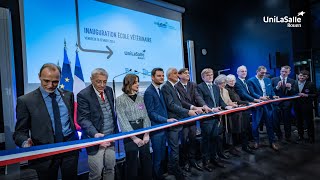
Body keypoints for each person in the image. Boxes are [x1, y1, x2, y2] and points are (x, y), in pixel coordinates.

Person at [13, 63, 79, 180]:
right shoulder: (26, 101)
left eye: (55, 82)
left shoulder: (68, 95)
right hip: (44, 152)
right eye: (46, 81)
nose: (50, 85)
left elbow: (71, 121)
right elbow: (19, 133)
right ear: (39, 76)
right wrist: (25, 143)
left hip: (69, 148)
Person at [77, 68, 118, 180]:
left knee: (110, 169)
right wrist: (95, 134)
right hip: (95, 141)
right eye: (98, 81)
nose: (102, 85)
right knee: (96, 175)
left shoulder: (109, 90)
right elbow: (83, 119)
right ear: (91, 80)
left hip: (111, 138)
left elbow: (111, 113)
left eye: (104, 81)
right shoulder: (83, 95)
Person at [161, 68, 197, 180]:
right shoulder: (166, 87)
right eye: (175, 73)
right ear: (169, 75)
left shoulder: (173, 86)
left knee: (176, 148)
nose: (177, 75)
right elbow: (171, 105)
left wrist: (192, 108)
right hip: (173, 121)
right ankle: (175, 170)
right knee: (174, 148)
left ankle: (174, 168)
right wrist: (187, 111)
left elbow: (179, 102)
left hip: (178, 120)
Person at [116, 74, 152, 180]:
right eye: (135, 82)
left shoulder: (140, 98)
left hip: (143, 129)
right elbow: (122, 120)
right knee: (131, 162)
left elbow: (145, 116)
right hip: (130, 133)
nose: (138, 84)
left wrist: (146, 134)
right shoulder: (120, 99)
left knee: (146, 159)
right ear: (129, 83)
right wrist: (135, 138)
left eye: (138, 82)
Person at [175, 68, 211, 172]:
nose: (188, 74)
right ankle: (185, 162)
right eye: (185, 73)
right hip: (184, 115)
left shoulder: (192, 84)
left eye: (188, 73)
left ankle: (192, 160)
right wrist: (193, 107)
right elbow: (180, 101)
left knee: (193, 139)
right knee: (184, 140)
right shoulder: (176, 86)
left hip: (193, 116)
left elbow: (197, 96)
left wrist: (204, 105)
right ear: (179, 75)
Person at [144, 68, 177, 179]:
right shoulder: (149, 92)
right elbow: (151, 113)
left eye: (163, 75)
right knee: (157, 157)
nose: (162, 77)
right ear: (152, 77)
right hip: (156, 128)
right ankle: (157, 177)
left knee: (162, 155)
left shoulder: (160, 90)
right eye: (159, 76)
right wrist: (166, 120)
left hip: (164, 127)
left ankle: (161, 174)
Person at [198, 68, 232, 172]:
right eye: (207, 75)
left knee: (215, 139)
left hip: (216, 118)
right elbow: (200, 101)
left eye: (211, 74)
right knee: (206, 141)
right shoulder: (200, 87)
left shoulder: (215, 87)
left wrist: (226, 107)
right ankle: (206, 162)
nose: (210, 76)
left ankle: (214, 159)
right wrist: (211, 109)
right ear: (203, 77)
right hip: (206, 119)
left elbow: (220, 100)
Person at [247, 66, 279, 151]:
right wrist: (261, 97)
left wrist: (274, 95)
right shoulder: (250, 81)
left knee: (270, 125)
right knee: (255, 125)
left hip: (268, 105)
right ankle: (256, 142)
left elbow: (271, 90)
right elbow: (252, 93)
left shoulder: (268, 80)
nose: (263, 74)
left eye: (265, 73)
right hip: (257, 106)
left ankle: (272, 142)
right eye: (262, 73)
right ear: (257, 71)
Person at [225, 74, 254, 154]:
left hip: (240, 112)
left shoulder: (235, 88)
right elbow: (235, 100)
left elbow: (239, 98)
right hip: (233, 115)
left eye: (233, 80)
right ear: (227, 81)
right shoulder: (227, 89)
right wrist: (248, 102)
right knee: (234, 132)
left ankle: (245, 146)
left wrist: (245, 102)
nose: (232, 82)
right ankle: (233, 149)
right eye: (230, 81)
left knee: (244, 130)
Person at [214, 74, 241, 157]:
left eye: (225, 83)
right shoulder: (215, 90)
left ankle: (230, 148)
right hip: (219, 116)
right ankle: (220, 151)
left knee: (229, 131)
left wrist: (234, 104)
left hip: (227, 114)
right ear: (218, 83)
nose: (224, 84)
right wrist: (226, 106)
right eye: (222, 83)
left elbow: (229, 101)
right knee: (220, 134)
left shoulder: (225, 90)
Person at [271, 65, 296, 142]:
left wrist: (290, 88)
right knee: (276, 121)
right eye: (282, 71)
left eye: (286, 72)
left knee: (287, 121)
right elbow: (270, 91)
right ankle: (279, 136)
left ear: (289, 72)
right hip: (276, 104)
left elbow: (294, 93)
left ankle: (288, 136)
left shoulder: (292, 81)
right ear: (280, 71)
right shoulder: (273, 80)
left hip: (287, 104)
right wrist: (277, 87)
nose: (284, 73)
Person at [294, 70, 317, 143]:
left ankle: (311, 137)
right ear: (298, 75)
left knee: (309, 122)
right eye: (300, 75)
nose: (302, 77)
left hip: (307, 106)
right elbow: (290, 93)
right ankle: (300, 136)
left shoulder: (311, 84)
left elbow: (315, 95)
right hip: (297, 106)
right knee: (298, 122)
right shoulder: (294, 83)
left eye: (304, 76)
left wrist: (306, 95)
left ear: (307, 77)